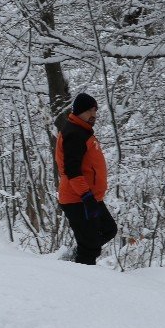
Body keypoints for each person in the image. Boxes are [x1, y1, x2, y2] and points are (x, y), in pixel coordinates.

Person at [56, 92, 118, 265]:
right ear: (79, 111)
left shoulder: (82, 131)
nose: (94, 115)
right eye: (90, 111)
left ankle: (77, 255)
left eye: (95, 111)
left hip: (89, 197)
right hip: (78, 199)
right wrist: (86, 196)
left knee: (109, 230)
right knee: (90, 246)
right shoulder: (74, 134)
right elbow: (72, 171)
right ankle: (79, 272)